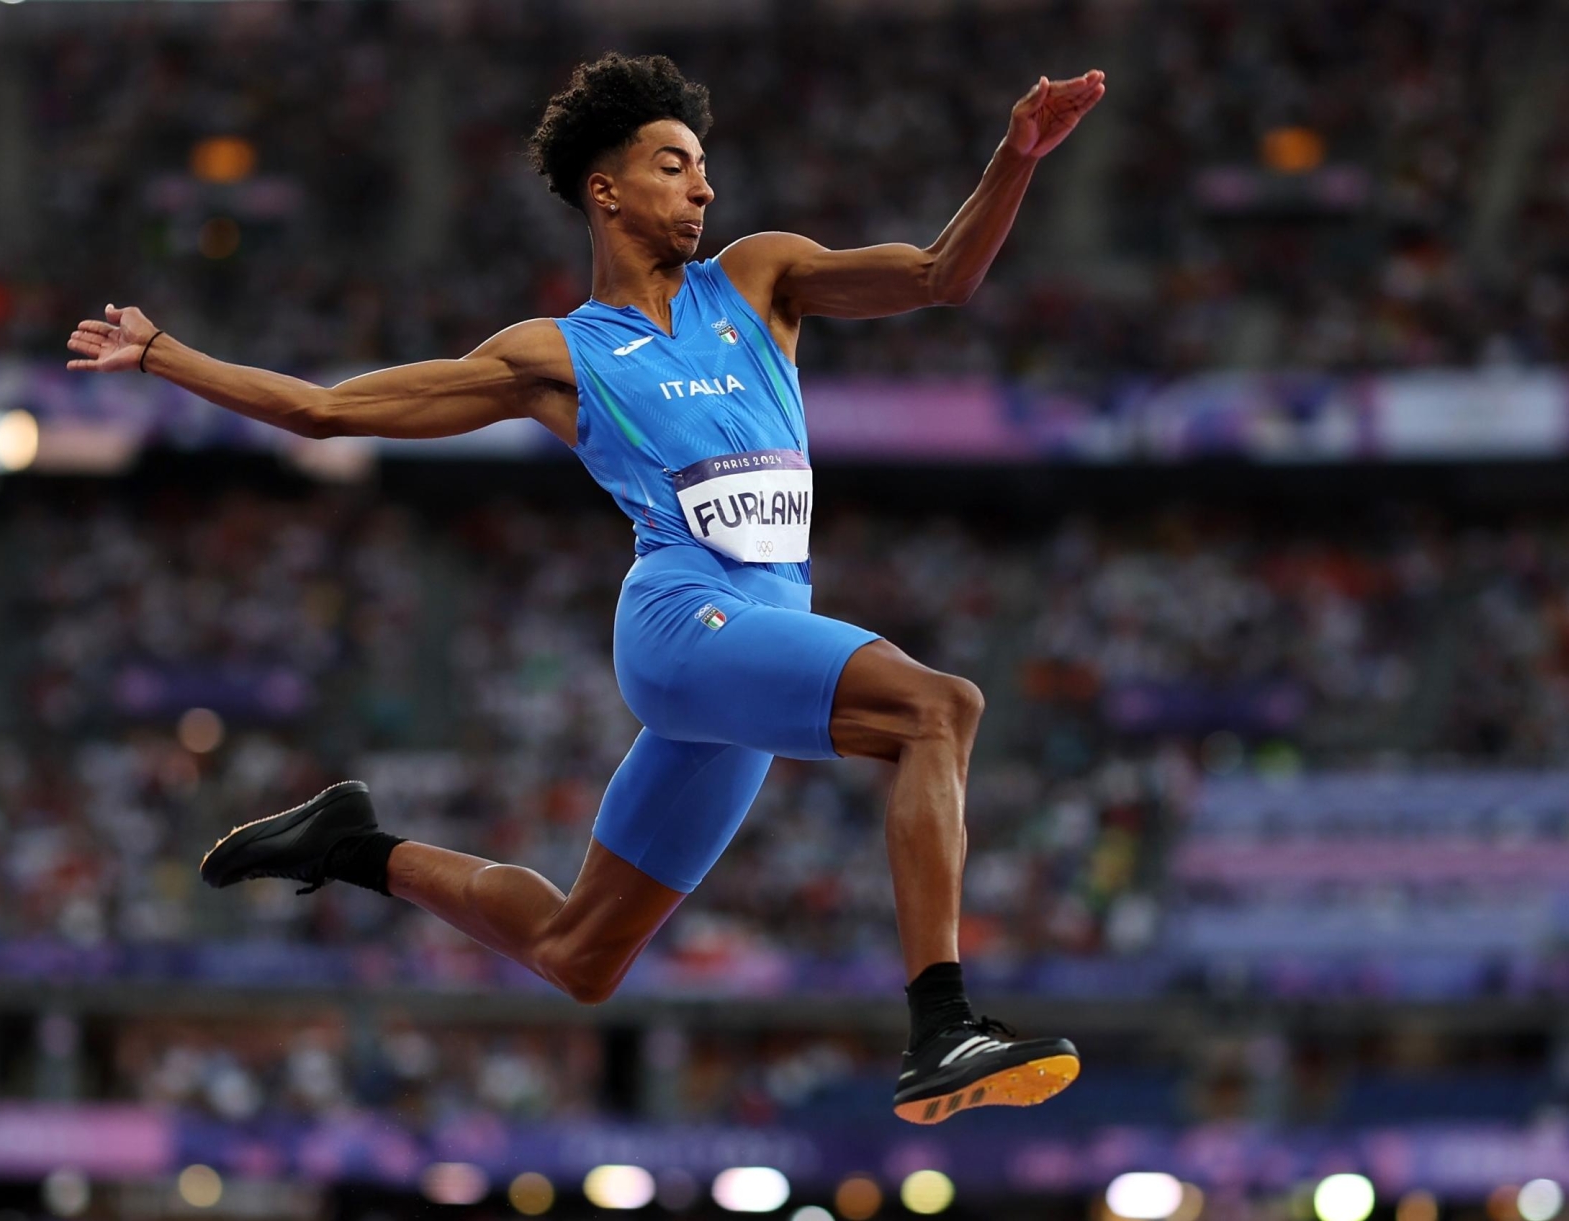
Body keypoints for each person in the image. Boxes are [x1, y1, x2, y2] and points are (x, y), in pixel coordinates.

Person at [66, 52, 1104, 1124]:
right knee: (942, 708)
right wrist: (162, 355)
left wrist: (1016, 156)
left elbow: (943, 274)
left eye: (705, 166)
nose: (704, 186)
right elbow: (328, 412)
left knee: (580, 954)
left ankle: (350, 844)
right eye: (674, 164)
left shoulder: (761, 277)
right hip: (682, 623)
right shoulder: (557, 353)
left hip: (757, 642)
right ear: (606, 190)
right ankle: (943, 1023)